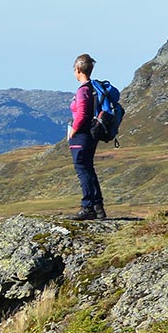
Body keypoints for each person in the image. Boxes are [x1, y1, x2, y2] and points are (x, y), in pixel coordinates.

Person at [66, 54, 105, 221]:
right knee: (88, 168)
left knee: (82, 169)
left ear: (78, 69)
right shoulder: (93, 89)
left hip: (82, 135)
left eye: (74, 70)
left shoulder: (83, 90)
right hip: (91, 134)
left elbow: (81, 114)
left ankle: (87, 206)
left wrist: (74, 131)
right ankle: (98, 207)